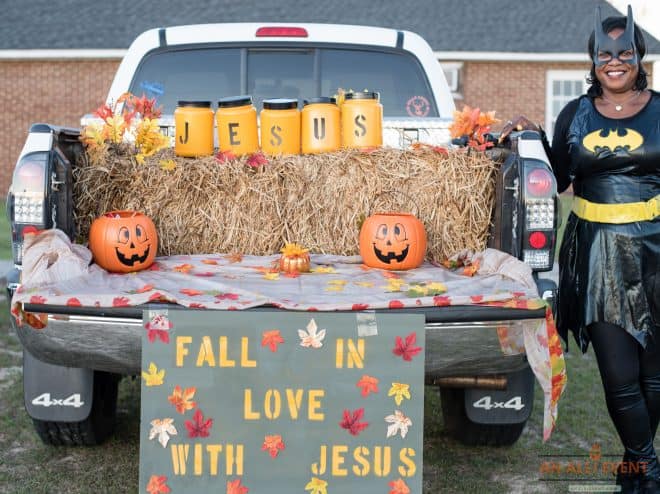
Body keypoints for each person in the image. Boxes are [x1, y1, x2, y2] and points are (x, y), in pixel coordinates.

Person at [503, 5, 659, 493]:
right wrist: (530, 136)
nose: (615, 62)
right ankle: (647, 470)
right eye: (604, 55)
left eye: (625, 53)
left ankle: (634, 473)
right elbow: (559, 177)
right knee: (619, 374)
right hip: (597, 254)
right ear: (593, 62)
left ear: (640, 57)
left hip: (656, 250)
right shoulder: (576, 113)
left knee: (655, 377)